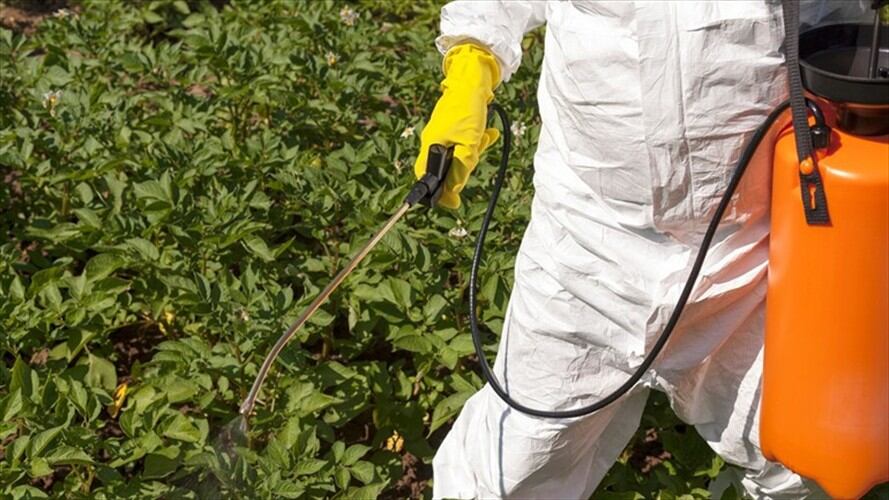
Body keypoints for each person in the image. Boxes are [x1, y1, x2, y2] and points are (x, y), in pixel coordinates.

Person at [412, 1, 859, 498]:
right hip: (587, 242)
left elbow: (842, 21)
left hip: (757, 250)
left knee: (803, 463)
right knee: (512, 464)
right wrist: (471, 67)